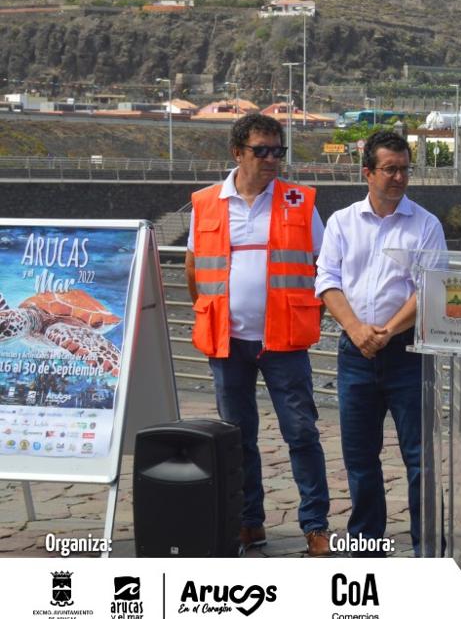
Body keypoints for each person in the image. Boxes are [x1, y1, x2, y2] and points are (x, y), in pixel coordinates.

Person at [185, 113, 332, 556]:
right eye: (261, 151)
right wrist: (213, 310)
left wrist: (310, 312)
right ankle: (249, 523)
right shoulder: (208, 202)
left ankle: (315, 525)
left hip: (284, 342)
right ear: (237, 152)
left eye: (278, 151)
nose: (271, 159)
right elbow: (194, 268)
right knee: (237, 437)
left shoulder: (298, 201)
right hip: (227, 342)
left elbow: (324, 265)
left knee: (302, 433)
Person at [316, 130, 446, 556]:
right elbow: (328, 281)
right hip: (355, 354)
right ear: (367, 172)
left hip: (407, 353)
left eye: (405, 169)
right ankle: (366, 545)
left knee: (419, 458)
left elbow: (430, 288)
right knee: (360, 458)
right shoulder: (341, 222)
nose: (399, 177)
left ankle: (427, 548)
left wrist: (387, 331)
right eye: (389, 169)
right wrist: (356, 329)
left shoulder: (426, 224)